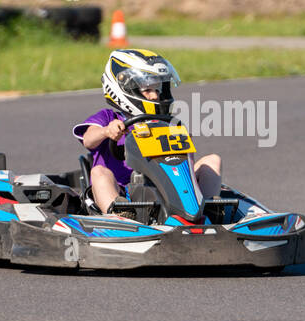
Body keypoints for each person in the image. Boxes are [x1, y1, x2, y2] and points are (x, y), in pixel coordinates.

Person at [74, 49, 222, 218]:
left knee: (213, 161)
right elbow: (88, 139)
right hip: (121, 190)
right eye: (147, 90)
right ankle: (120, 215)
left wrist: (184, 142)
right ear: (126, 88)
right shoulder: (109, 117)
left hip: (164, 187)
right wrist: (106, 131)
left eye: (157, 90)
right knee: (99, 172)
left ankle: (207, 209)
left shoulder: (166, 122)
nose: (154, 96)